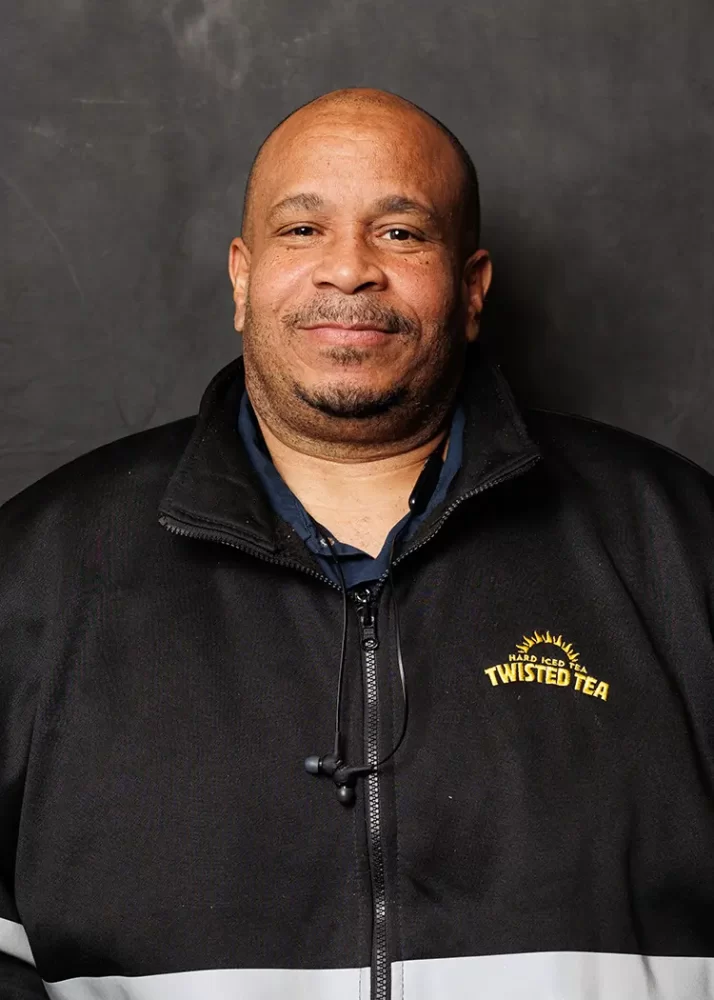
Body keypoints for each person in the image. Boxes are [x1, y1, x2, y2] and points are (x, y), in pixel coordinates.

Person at [1, 87, 713, 1000]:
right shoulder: (37, 571)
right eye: (303, 230)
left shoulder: (678, 543)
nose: (348, 270)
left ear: (471, 288)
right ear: (242, 277)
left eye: (400, 233)